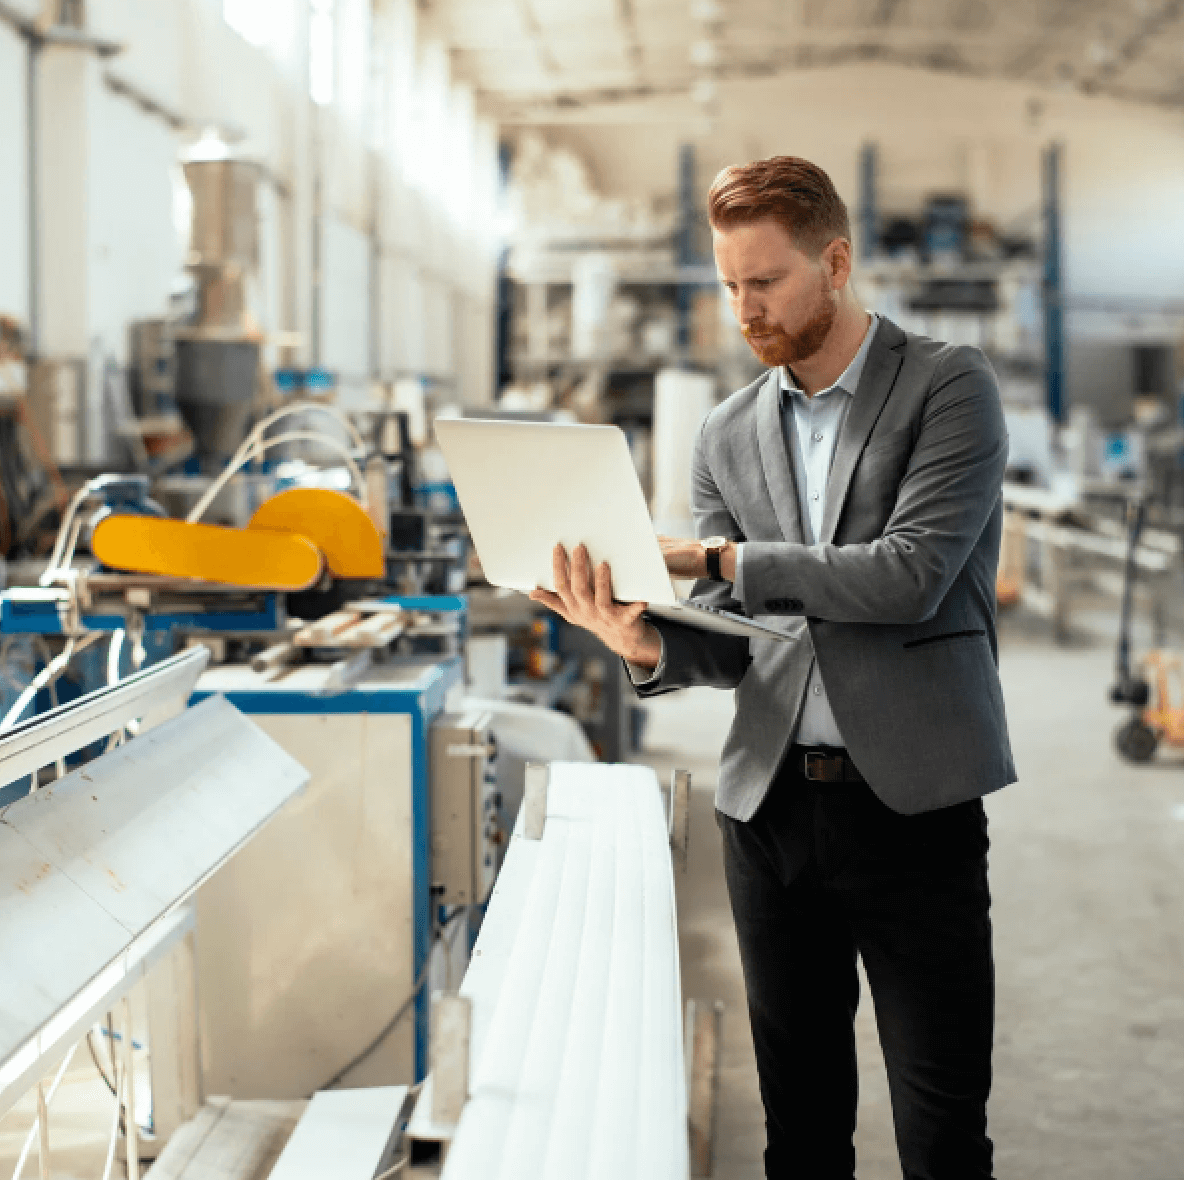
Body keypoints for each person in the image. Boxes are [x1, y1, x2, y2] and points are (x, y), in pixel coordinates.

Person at [529, 154, 1014, 1180]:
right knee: (797, 1128)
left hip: (914, 805)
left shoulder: (946, 386)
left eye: (765, 282)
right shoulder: (725, 432)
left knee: (938, 1129)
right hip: (767, 815)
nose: (742, 309)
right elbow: (725, 630)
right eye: (727, 285)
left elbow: (908, 576)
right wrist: (640, 638)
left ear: (832, 262)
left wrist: (715, 557)